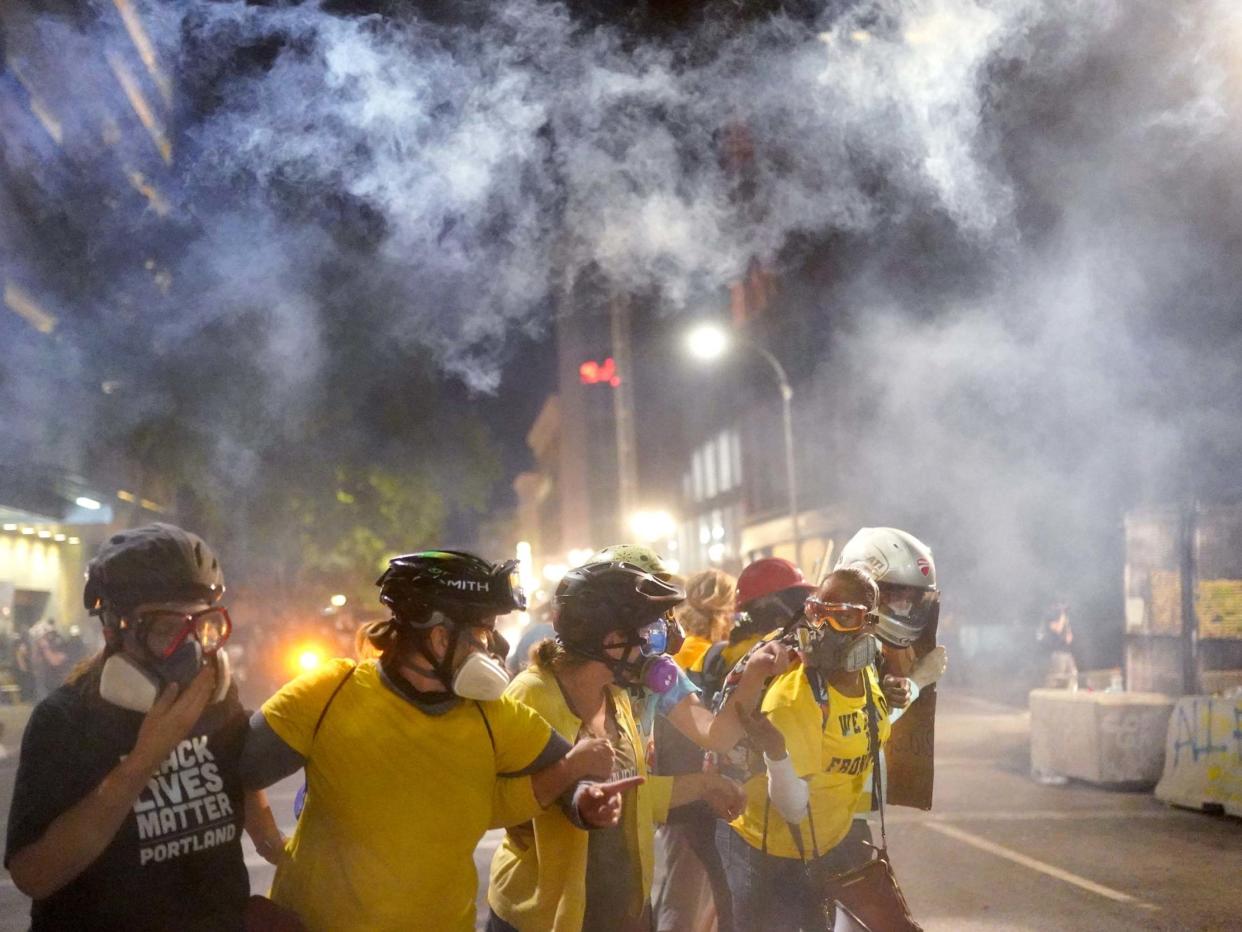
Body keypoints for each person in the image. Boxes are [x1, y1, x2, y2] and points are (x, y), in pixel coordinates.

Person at [239, 549, 625, 932]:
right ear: (439, 637)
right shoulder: (330, 692)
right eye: (482, 631)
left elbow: (565, 774)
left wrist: (585, 800)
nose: (494, 647)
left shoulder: (493, 715)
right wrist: (267, 841)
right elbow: (241, 768)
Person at [4, 523, 280, 931]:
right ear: (113, 629)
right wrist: (144, 760)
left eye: (201, 626)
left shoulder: (216, 696)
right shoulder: (65, 720)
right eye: (166, 628)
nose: (189, 647)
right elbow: (35, 876)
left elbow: (249, 798)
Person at [487, 560, 748, 932]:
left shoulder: (617, 694)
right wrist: (569, 783)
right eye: (648, 632)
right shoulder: (531, 696)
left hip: (623, 912)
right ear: (608, 639)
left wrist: (705, 786)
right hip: (547, 917)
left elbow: (634, 794)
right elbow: (497, 803)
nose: (657, 645)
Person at [717, 568, 893, 932]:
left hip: (822, 847)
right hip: (765, 852)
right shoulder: (795, 697)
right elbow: (794, 809)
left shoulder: (868, 678)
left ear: (870, 625)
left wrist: (914, 685)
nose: (822, 628)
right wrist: (777, 751)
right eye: (816, 612)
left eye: (844, 616)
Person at [835, 527, 947, 833]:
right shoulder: (838, 646)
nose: (904, 605)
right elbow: (854, 728)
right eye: (894, 592)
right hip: (829, 821)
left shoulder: (865, 640)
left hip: (842, 814)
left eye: (911, 595)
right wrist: (916, 681)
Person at [1037, 602, 1077, 689]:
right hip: (1058, 653)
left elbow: (1068, 636)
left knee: (1073, 675)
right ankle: (1048, 694)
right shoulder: (1051, 618)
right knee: (1057, 677)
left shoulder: (1065, 619)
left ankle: (1071, 694)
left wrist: (1069, 634)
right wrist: (1062, 617)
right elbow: (1058, 629)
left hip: (1067, 652)